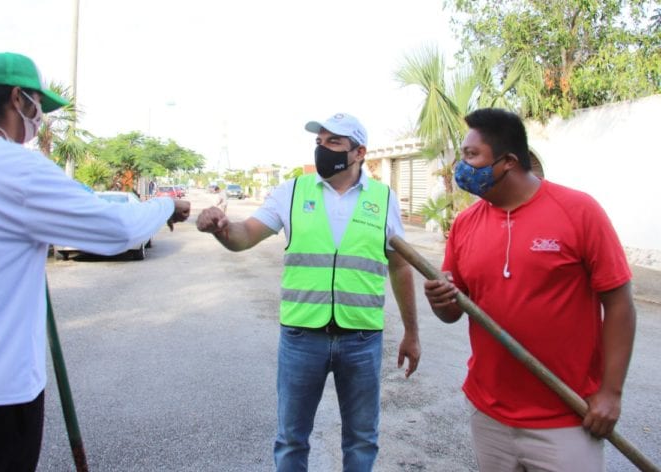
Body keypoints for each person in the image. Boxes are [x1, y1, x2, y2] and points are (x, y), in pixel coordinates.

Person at [0, 52, 191, 471]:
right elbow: (119, 230)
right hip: (5, 386)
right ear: (17, 99)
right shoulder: (20, 167)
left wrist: (4, 239)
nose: (41, 116)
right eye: (38, 105)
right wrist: (165, 207)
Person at [197, 112, 421, 471]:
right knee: (291, 440)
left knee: (362, 440)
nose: (323, 149)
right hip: (302, 336)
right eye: (319, 142)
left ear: (359, 152)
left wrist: (411, 332)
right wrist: (221, 230)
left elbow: (400, 266)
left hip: (361, 338)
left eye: (334, 142)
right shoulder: (292, 191)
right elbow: (245, 236)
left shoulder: (383, 198)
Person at [424, 108, 636, 471]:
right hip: (489, 414)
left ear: (507, 162)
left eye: (471, 155)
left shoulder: (578, 211)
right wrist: (440, 300)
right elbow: (452, 312)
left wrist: (611, 393)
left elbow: (619, 303)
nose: (461, 166)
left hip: (567, 416)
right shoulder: (464, 224)